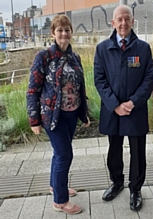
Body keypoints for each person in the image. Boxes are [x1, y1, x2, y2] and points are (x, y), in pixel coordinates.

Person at [26, 15, 90, 215]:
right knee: (65, 155)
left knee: (59, 154)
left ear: (71, 32)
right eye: (60, 30)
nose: (64, 33)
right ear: (53, 33)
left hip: (71, 115)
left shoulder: (75, 57)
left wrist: (84, 113)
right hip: (53, 117)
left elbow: (80, 88)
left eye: (67, 29)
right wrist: (34, 120)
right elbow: (32, 90)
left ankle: (56, 186)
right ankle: (60, 201)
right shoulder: (43, 57)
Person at [94, 5, 153, 211]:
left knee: (138, 151)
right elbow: (99, 80)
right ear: (113, 22)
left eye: (127, 19)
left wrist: (133, 102)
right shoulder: (102, 49)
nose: (123, 23)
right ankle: (117, 182)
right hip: (113, 111)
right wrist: (115, 105)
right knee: (114, 149)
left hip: (135, 109)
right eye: (119, 19)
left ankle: (136, 189)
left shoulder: (143, 49)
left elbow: (149, 78)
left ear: (132, 21)